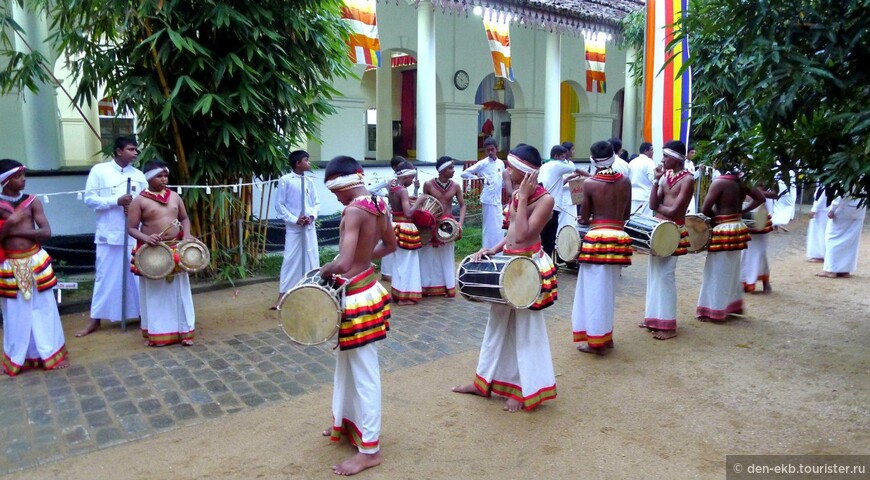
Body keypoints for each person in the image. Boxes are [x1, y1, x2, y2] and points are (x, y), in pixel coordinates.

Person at [453, 144, 558, 412]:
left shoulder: (545, 200)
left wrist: (522, 199)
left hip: (528, 268)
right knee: (496, 326)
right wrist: (493, 249)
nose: (506, 171)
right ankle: (483, 382)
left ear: (525, 174)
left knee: (526, 331)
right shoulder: (516, 195)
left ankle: (526, 389)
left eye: (510, 168)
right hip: (508, 263)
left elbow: (523, 235)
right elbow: (511, 234)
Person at [319, 155, 396, 476]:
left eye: (334, 190)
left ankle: (370, 450)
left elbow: (344, 259)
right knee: (348, 365)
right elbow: (390, 245)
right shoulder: (379, 205)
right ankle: (345, 423)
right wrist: (364, 260)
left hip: (358, 295)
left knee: (363, 372)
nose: (335, 198)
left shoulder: (354, 209)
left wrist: (326, 268)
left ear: (343, 182)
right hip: (367, 287)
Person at [0, 160, 69, 376]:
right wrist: (10, 223)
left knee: (44, 309)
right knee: (14, 313)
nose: (24, 179)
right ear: (7, 180)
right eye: (20, 176)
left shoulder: (32, 202)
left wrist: (16, 231)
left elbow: (46, 232)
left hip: (35, 260)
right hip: (9, 264)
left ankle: (49, 353)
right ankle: (16, 357)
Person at [77, 136, 147, 337]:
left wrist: (133, 208)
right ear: (118, 151)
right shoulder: (100, 171)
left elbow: (145, 201)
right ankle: (95, 319)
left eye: (136, 150)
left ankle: (144, 315)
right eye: (131, 149)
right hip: (109, 233)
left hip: (133, 232)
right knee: (104, 277)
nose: (135, 153)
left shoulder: (139, 175)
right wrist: (115, 201)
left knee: (138, 275)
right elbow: (89, 199)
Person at [571, 141, 632, 355]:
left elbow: (585, 217)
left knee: (594, 292)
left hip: (597, 239)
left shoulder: (590, 183)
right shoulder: (625, 181)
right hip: (619, 238)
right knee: (608, 291)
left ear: (593, 160)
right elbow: (626, 215)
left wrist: (585, 218)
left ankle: (596, 341)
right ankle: (607, 336)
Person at [127, 160, 196, 346]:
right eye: (159, 175)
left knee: (179, 292)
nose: (164, 179)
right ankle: (158, 333)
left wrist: (187, 235)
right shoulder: (139, 200)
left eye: (166, 175)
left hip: (176, 248)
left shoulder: (174, 196)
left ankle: (185, 332)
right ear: (149, 177)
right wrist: (146, 238)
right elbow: (131, 228)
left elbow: (184, 218)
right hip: (153, 253)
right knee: (156, 294)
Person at [640, 140, 694, 340]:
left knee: (666, 276)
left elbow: (676, 211)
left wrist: (661, 209)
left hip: (673, 230)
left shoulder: (688, 179)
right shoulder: (665, 177)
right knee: (654, 274)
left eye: (666, 156)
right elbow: (654, 203)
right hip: (659, 229)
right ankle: (653, 318)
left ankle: (668, 325)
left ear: (677, 158)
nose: (662, 160)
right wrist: (655, 181)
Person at [695, 168, 764, 322]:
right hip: (737, 225)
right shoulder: (742, 181)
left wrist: (714, 219)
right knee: (731, 270)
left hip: (723, 227)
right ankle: (728, 307)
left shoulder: (720, 182)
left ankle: (715, 310)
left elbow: (705, 209)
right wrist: (742, 211)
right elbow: (760, 198)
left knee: (716, 271)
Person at [270, 150, 319, 310]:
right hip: (294, 228)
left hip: (309, 227)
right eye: (307, 160)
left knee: (311, 257)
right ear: (298, 163)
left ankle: (313, 292)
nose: (309, 163)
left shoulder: (310, 180)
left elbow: (316, 203)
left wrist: (311, 216)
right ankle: (283, 295)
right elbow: (280, 204)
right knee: (290, 259)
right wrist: (294, 219)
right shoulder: (285, 180)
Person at [420, 156, 466, 297]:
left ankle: (448, 287)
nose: (453, 170)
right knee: (428, 256)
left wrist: (460, 223)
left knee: (446, 256)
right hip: (432, 224)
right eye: (450, 168)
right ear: (442, 170)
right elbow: (423, 204)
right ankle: (426, 287)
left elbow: (463, 205)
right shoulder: (428, 184)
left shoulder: (456, 186)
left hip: (448, 225)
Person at [539, 145, 589, 258]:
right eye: (562, 157)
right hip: (552, 207)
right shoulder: (557, 165)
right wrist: (593, 176)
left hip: (544, 205)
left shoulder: (545, 166)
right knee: (549, 239)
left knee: (544, 237)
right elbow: (577, 169)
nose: (564, 160)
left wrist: (569, 178)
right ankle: (547, 265)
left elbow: (558, 184)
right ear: (556, 156)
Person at [461, 137, 511, 249]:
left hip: (498, 199)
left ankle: (497, 249)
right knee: (489, 227)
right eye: (487, 150)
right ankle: (487, 249)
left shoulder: (500, 164)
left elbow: (502, 182)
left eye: (492, 149)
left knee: (499, 226)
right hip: (488, 199)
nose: (490, 152)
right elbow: (464, 173)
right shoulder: (483, 163)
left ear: (496, 149)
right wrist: (480, 178)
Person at [387, 162, 424, 305]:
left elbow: (397, 207)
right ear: (406, 177)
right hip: (405, 227)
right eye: (412, 178)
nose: (412, 181)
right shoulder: (402, 190)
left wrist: (410, 200)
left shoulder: (393, 188)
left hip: (394, 225)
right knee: (408, 263)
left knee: (399, 262)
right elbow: (408, 212)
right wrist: (419, 201)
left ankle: (397, 293)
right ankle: (404, 297)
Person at [369, 156, 408, 282]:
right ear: (394, 167)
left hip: (403, 213)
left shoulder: (405, 179)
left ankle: (396, 270)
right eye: (401, 165)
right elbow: (372, 189)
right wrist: (386, 194)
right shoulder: (391, 180)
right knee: (389, 241)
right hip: (393, 213)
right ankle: (386, 272)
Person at [817, 194, 867, 278]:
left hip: (845, 207)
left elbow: (841, 192)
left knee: (832, 237)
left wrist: (832, 209)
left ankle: (831, 270)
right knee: (851, 239)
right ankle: (845, 269)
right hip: (860, 208)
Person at [741, 184, 776, 293]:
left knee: (759, 253)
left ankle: (765, 282)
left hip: (760, 216)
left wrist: (757, 193)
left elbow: (776, 194)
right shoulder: (745, 175)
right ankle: (745, 282)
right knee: (744, 253)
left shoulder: (771, 176)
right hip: (747, 215)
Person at [628, 142, 656, 216]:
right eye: (651, 150)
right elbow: (653, 179)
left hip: (632, 195)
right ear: (645, 151)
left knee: (633, 220)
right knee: (645, 221)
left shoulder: (632, 162)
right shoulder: (649, 162)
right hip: (645, 196)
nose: (653, 152)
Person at [806, 184, 828, 262]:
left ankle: (821, 254)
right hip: (823, 209)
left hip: (822, 210)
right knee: (819, 232)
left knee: (820, 232)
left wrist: (814, 209)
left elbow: (821, 195)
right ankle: (819, 254)